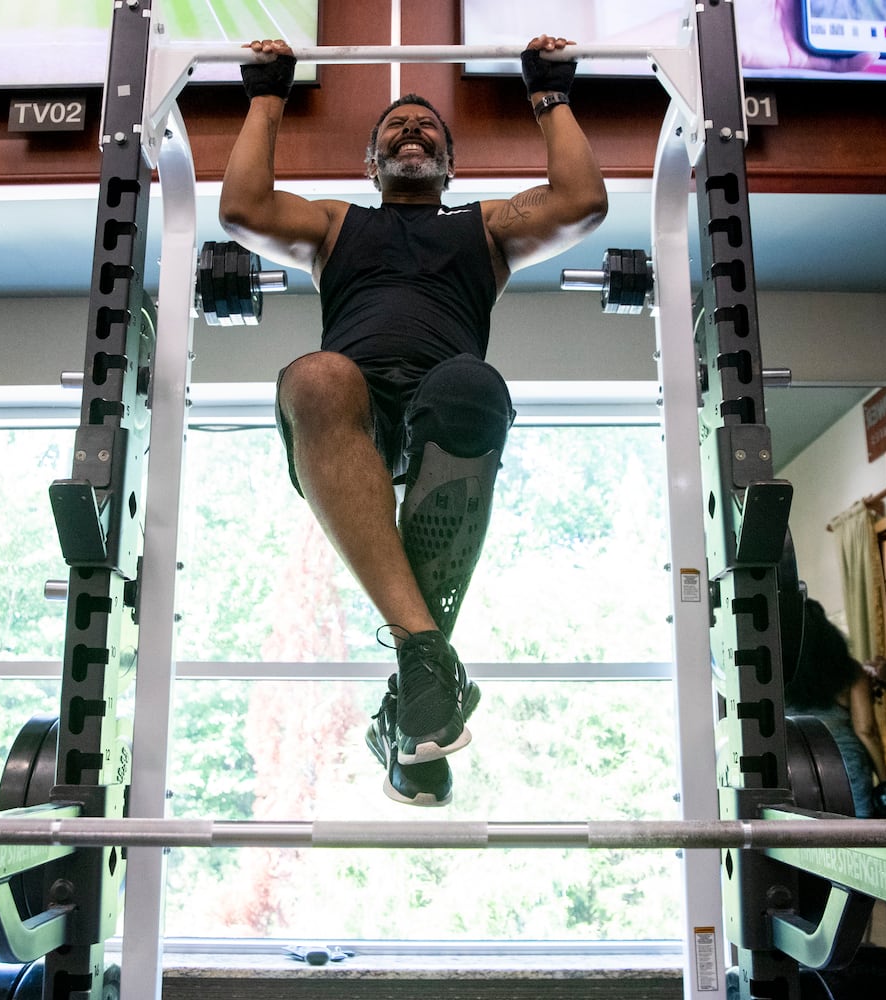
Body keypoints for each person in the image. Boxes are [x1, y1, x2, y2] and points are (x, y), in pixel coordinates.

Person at [219, 36, 607, 806]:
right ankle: (424, 672)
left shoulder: (487, 227)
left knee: (468, 381)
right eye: (395, 126)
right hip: (350, 424)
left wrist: (549, 92)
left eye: (428, 127)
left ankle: (416, 695)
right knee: (319, 374)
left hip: (446, 418)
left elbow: (581, 202)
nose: (411, 130)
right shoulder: (336, 225)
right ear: (372, 164)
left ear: (450, 166)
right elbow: (243, 208)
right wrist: (269, 95)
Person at [786, 598, 886, 818]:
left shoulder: (779, 674)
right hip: (847, 766)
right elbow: (866, 730)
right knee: (855, 833)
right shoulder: (849, 671)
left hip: (796, 764)